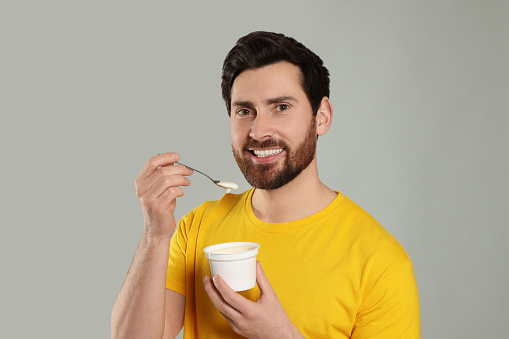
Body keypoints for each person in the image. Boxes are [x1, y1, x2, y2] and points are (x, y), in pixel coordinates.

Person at [111, 31, 420, 338]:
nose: (258, 131)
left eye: (281, 107)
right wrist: (155, 234)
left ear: (322, 117)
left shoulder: (381, 262)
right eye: (244, 111)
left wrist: (279, 334)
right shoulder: (196, 228)